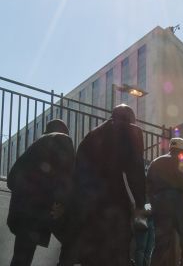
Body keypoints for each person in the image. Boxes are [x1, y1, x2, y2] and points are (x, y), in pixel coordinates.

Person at [60, 105, 148, 266]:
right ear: (130, 119)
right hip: (111, 199)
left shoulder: (90, 136)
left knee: (90, 253)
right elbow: (135, 171)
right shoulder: (131, 131)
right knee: (119, 246)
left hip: (84, 203)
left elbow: (76, 172)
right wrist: (140, 204)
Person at [7, 119, 75, 266]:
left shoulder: (34, 148)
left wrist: (27, 194)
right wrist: (62, 202)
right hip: (44, 210)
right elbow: (67, 173)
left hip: (22, 212)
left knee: (20, 259)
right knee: (73, 241)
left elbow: (11, 179)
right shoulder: (63, 139)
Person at [147, 137, 183, 266]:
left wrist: (153, 205)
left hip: (161, 203)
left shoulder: (156, 162)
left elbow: (148, 189)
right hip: (181, 203)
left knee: (161, 244)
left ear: (170, 148)